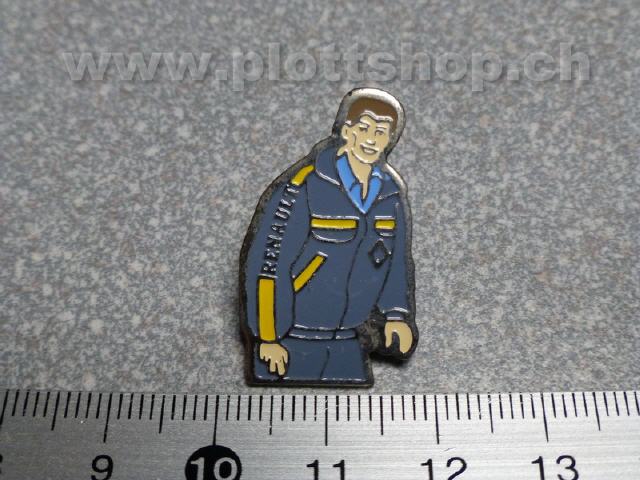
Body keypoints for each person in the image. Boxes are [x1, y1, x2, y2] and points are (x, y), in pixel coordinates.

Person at [240, 88, 417, 385]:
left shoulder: (389, 194)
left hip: (350, 340)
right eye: (364, 129)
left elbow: (395, 261)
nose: (371, 139)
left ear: (390, 140)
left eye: (381, 132)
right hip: (292, 339)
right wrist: (268, 337)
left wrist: (396, 315)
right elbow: (268, 264)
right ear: (346, 131)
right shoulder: (302, 186)